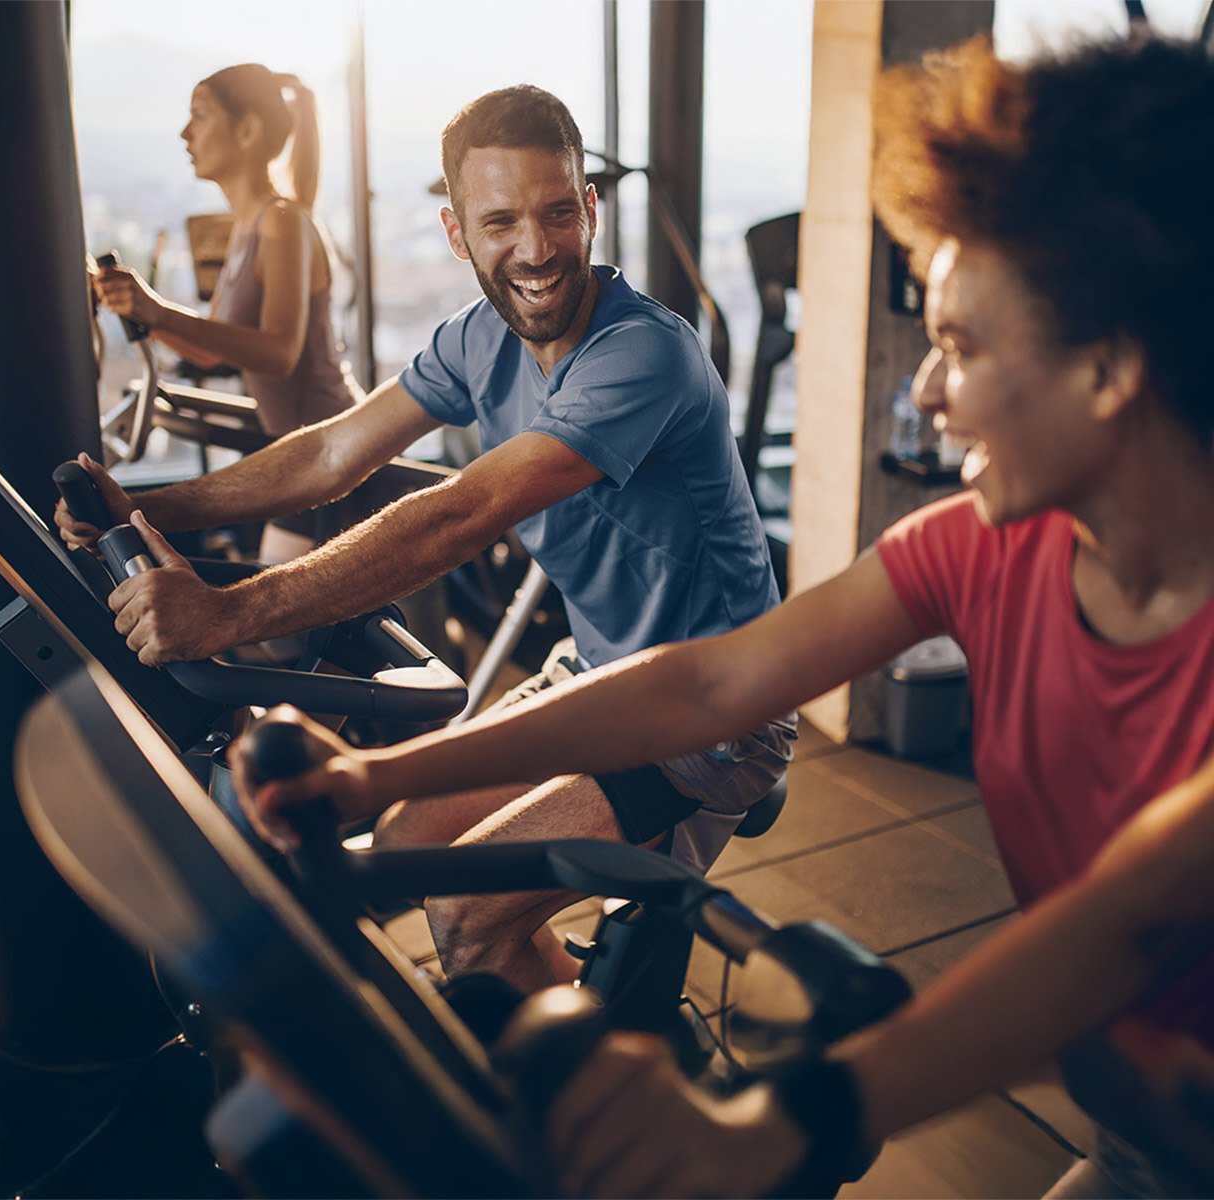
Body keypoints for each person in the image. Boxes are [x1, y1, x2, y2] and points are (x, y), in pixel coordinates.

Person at [235, 33, 1214, 1198]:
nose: (923, 388)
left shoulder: (648, 352)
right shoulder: (974, 552)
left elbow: (1127, 921)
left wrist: (774, 1125)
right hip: (1134, 1145)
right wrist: (371, 781)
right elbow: (703, 681)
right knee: (428, 879)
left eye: (958, 344)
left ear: (1107, 370)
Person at [59, 85, 797, 993]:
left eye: (558, 213)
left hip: (715, 716)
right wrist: (147, 513)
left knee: (466, 910)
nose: (535, 250)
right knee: (408, 840)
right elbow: (331, 453)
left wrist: (225, 614)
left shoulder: (646, 353)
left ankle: (588, 1105)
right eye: (501, 223)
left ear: (590, 211)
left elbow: (461, 514)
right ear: (457, 234)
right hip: (600, 675)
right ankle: (600, 1029)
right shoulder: (475, 340)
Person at [93, 63, 359, 561]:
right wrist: (142, 313)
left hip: (328, 448)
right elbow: (216, 353)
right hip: (295, 450)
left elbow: (280, 352)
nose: (185, 132)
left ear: (247, 130)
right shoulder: (245, 228)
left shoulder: (284, 222)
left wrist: (157, 309)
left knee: (277, 631)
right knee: (279, 630)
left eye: (199, 116)